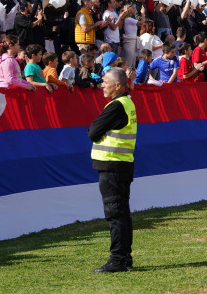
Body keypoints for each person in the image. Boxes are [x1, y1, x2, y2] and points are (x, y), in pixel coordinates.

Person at [88, 67, 136, 273]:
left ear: (118, 85)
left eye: (106, 81)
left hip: (112, 165)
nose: (102, 84)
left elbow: (92, 132)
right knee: (122, 213)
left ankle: (118, 259)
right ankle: (124, 257)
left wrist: (97, 133)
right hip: (121, 164)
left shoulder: (116, 106)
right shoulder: (127, 102)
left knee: (115, 213)